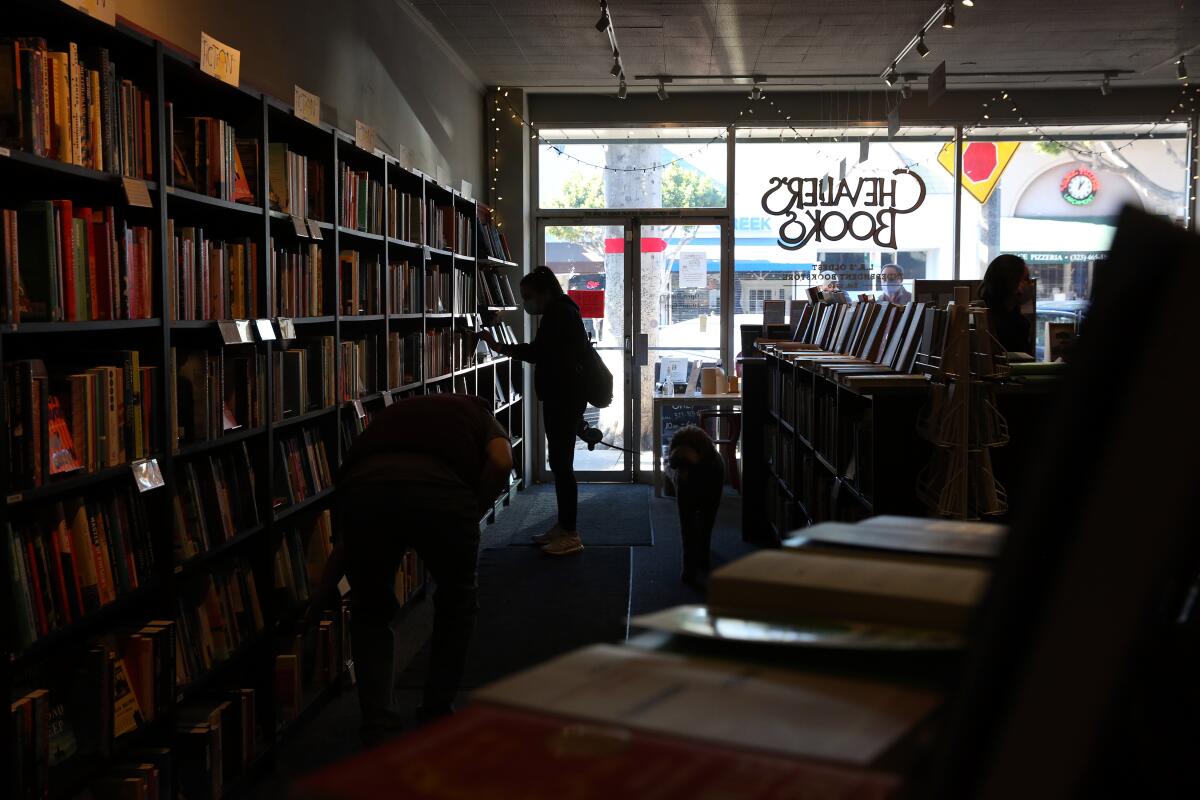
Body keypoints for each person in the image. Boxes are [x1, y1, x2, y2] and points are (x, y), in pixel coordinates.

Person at [307, 394, 513, 744]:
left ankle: (379, 725)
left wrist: (317, 602)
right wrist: (473, 506)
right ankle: (436, 712)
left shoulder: (395, 418)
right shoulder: (480, 414)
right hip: (443, 493)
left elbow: (347, 545)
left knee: (370, 612)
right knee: (456, 604)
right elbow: (502, 461)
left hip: (362, 490)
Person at [479, 266, 589, 557]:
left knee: (562, 465)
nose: (526, 302)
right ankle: (564, 526)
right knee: (560, 463)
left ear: (544, 292)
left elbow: (539, 353)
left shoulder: (558, 314)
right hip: (565, 398)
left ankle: (570, 533)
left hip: (563, 399)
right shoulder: (564, 311)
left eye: (528, 296)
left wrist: (499, 346)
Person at [667, 425, 725, 591]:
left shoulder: (716, 466)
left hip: (710, 479)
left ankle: (701, 559)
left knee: (701, 523)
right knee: (696, 523)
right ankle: (694, 564)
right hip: (690, 482)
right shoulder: (683, 470)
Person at [980, 254, 1035, 354]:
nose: (1031, 284)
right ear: (1011, 282)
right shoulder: (987, 325)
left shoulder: (1020, 321)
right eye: (1026, 279)